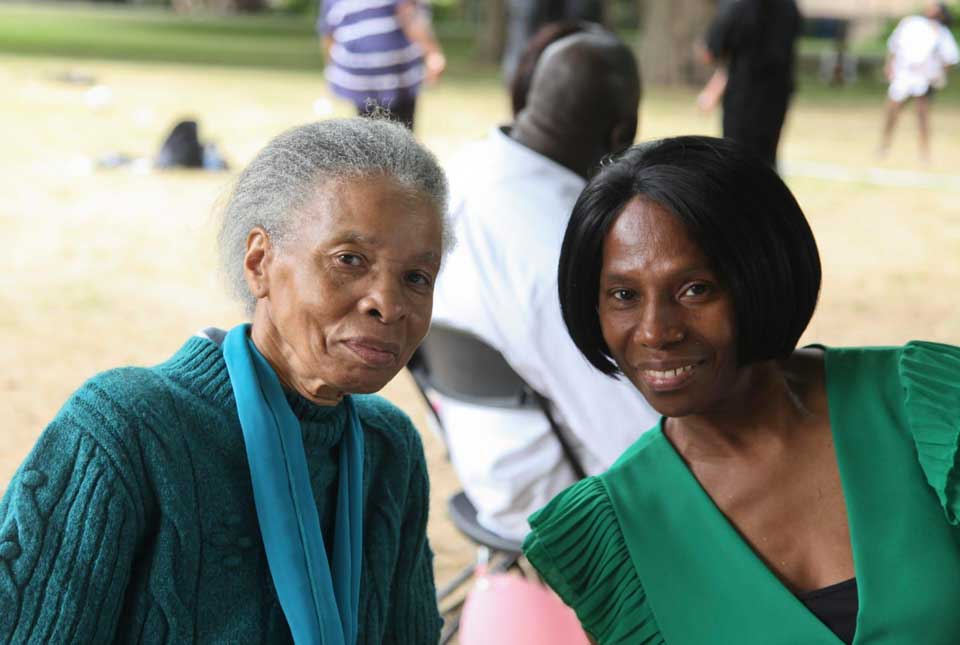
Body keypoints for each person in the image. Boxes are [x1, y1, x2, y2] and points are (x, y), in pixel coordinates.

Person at [0, 118, 450, 644]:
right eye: (349, 260)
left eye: (416, 277)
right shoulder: (125, 429)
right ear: (259, 263)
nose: (388, 305)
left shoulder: (388, 448)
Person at [522, 135, 960, 644]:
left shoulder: (928, 409)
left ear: (763, 276)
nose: (655, 331)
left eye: (694, 289)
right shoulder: (617, 536)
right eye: (623, 295)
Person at [430, 30, 658, 542]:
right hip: (561, 499)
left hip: (486, 466)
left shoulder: (455, 177)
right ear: (622, 133)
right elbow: (641, 442)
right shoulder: (569, 252)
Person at [700, 0, 801, 167]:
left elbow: (711, 52)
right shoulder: (789, 5)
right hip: (777, 93)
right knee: (766, 158)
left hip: (743, 95)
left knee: (736, 156)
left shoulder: (736, 5)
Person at [318, 0, 446, 129]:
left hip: (368, 80)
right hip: (391, 77)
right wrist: (432, 53)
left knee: (370, 131)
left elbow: (328, 35)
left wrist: (331, 69)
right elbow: (409, 17)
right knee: (398, 131)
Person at [878, 2, 959, 161]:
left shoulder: (942, 33)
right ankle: (884, 146)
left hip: (923, 78)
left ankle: (924, 152)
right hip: (904, 74)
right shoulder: (911, 23)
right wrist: (889, 64)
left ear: (941, 13)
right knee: (892, 110)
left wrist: (938, 73)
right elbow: (894, 45)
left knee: (922, 115)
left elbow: (950, 57)